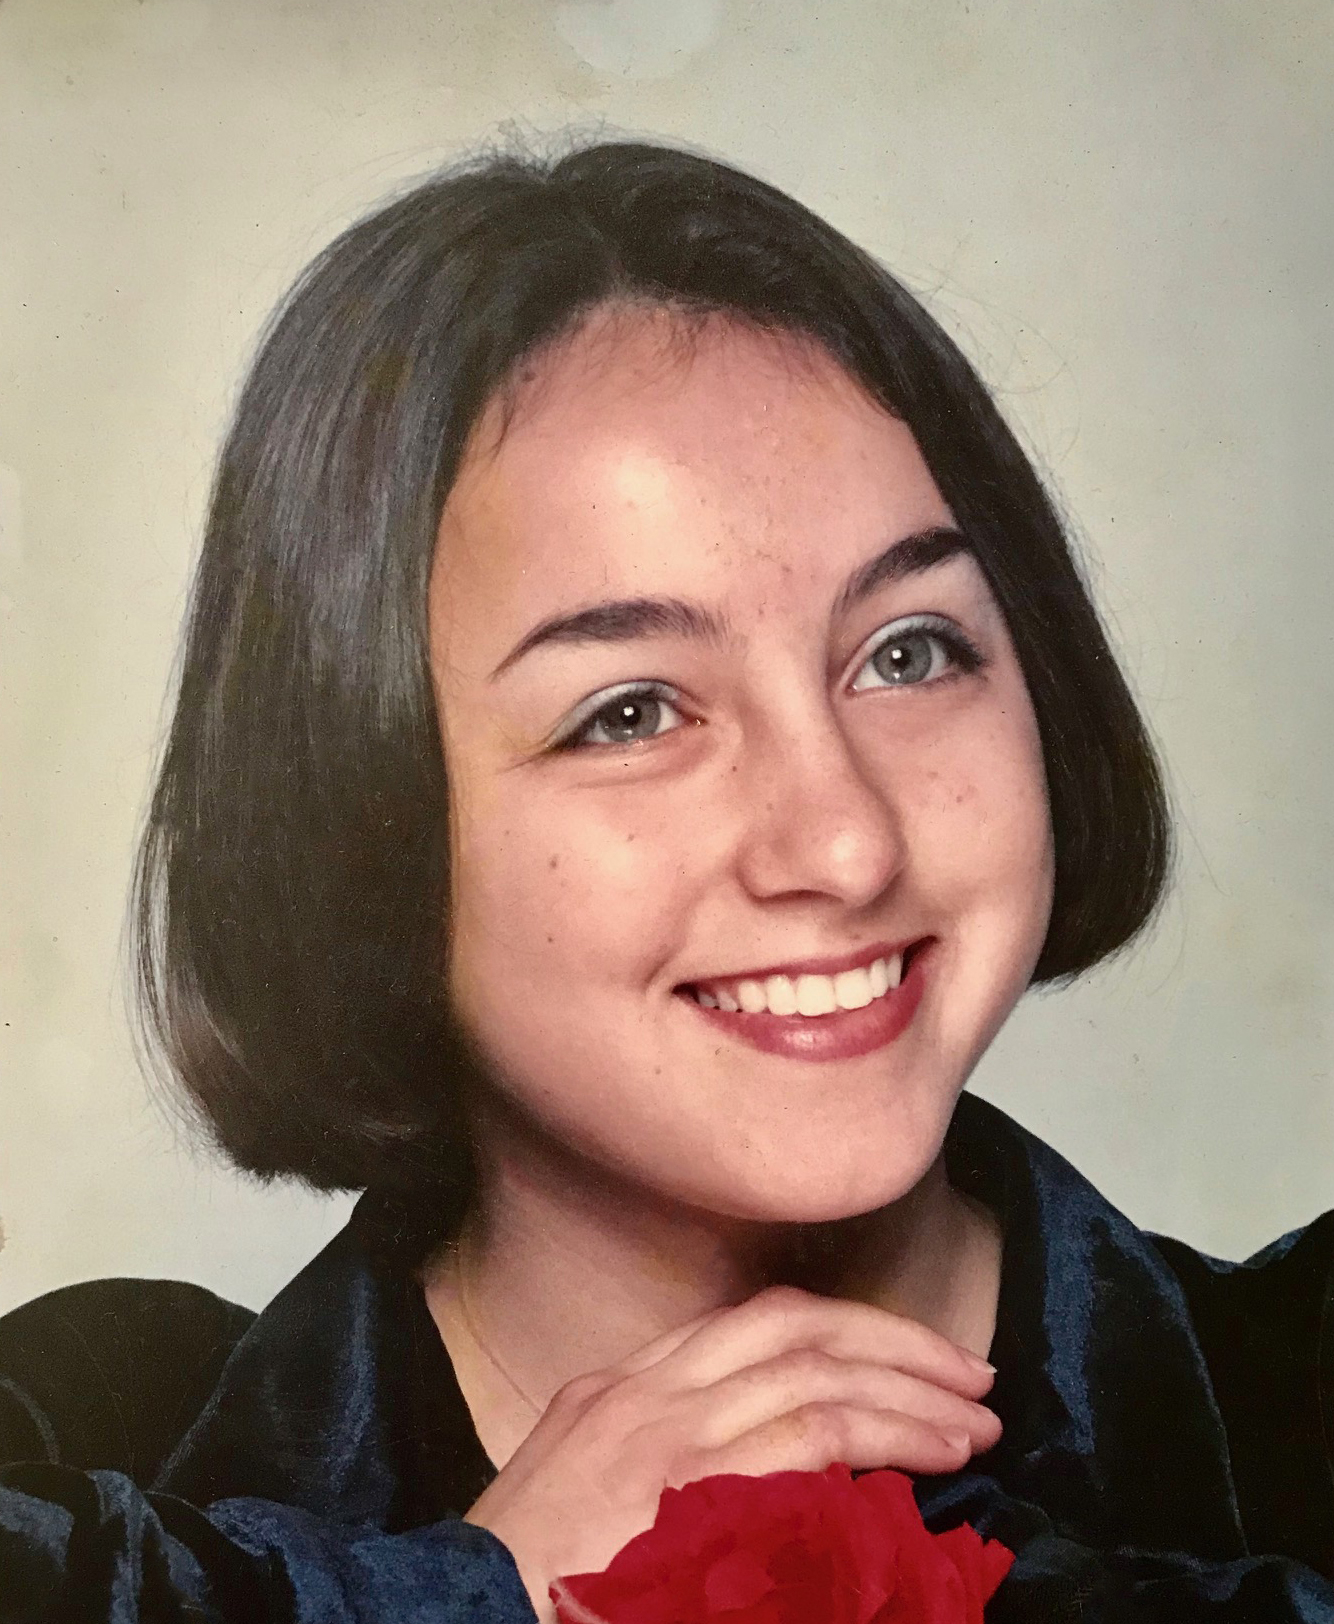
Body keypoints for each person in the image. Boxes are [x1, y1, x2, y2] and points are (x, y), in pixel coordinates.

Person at [2, 138, 1330, 1624]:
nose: (842, 843)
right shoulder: (103, 1447)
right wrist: (463, 1594)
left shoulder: (1300, 1389)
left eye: (908, 652)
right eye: (631, 711)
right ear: (359, 814)